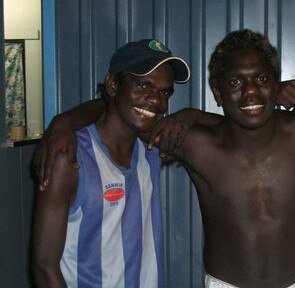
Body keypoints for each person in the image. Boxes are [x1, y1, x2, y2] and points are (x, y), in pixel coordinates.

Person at [33, 30, 295, 287]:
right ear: (219, 93)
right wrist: (65, 123)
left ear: (277, 84)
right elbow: (124, 118)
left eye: (261, 79)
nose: (251, 91)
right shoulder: (194, 143)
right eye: (236, 83)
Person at [30, 39, 192, 287]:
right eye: (144, 85)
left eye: (164, 91)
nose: (156, 100)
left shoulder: (153, 150)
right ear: (113, 84)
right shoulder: (69, 157)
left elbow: (230, 133)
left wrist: (189, 115)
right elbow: (44, 267)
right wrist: (63, 123)